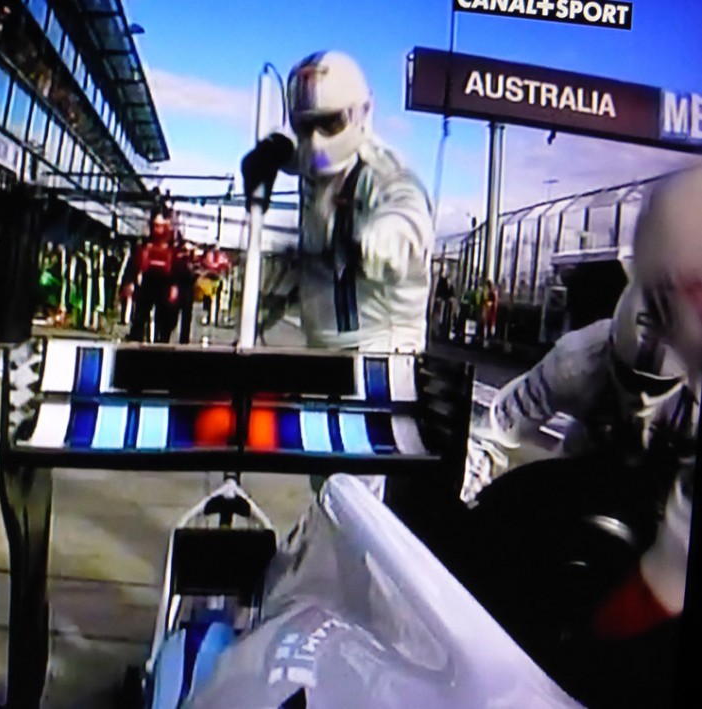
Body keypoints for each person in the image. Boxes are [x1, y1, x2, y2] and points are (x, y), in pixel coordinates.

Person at [465, 166, 702, 644]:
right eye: (627, 376)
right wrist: (462, 508)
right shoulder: (577, 360)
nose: (638, 397)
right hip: (583, 500)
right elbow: (492, 430)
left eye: (652, 385)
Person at [241, 50, 434, 501]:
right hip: (325, 355)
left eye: (328, 124)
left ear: (360, 114)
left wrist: (387, 237)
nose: (315, 140)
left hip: (380, 360)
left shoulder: (380, 173)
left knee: (354, 499)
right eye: (304, 125)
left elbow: (408, 208)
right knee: (324, 480)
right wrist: (271, 153)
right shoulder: (314, 164)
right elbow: (300, 156)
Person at [122, 208, 182, 343]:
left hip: (165, 284)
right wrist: (129, 282)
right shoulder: (144, 245)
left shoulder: (173, 248)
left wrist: (175, 287)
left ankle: (162, 341)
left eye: (160, 226)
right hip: (148, 282)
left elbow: (178, 269)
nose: (157, 229)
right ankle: (136, 338)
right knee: (140, 314)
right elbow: (134, 263)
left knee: (164, 319)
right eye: (155, 226)